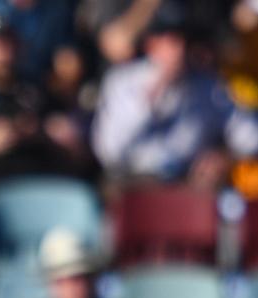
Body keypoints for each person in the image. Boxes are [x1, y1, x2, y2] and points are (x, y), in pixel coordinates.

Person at [90, 2, 234, 187]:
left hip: (186, 185)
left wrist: (223, 155)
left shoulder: (206, 84)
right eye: (171, 42)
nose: (180, 50)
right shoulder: (122, 82)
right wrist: (151, 97)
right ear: (151, 44)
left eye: (184, 41)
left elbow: (249, 137)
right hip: (130, 182)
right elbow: (110, 151)